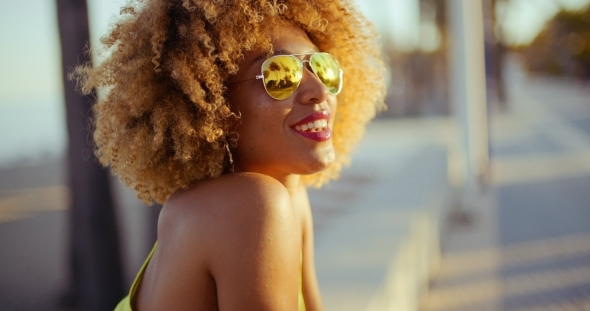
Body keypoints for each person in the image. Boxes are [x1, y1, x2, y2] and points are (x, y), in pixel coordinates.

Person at [75, 0, 385, 309]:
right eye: (281, 75)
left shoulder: (289, 197)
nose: (319, 89)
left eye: (324, 67)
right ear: (213, 104)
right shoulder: (251, 207)